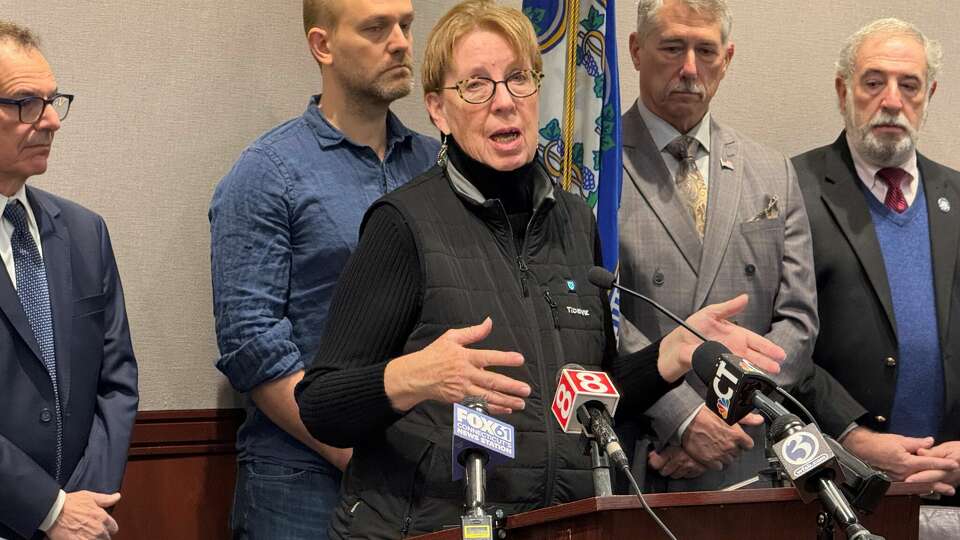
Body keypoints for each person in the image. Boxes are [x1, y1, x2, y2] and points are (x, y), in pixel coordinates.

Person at [295, 1, 786, 537]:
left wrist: (670, 356)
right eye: (476, 86)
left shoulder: (575, 220)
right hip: (431, 526)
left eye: (518, 79)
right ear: (438, 110)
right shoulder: (404, 224)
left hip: (559, 524)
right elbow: (321, 405)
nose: (504, 103)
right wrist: (412, 378)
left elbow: (585, 394)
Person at [208, 0, 439, 537]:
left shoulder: (436, 164)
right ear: (323, 45)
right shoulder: (265, 174)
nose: (402, 42)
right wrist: (352, 451)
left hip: (425, 476)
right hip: (302, 483)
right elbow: (253, 347)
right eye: (377, 28)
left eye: (405, 25)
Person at [616, 0, 817, 492]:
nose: (689, 68)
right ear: (636, 50)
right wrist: (684, 418)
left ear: (726, 59)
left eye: (705, 50)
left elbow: (799, 321)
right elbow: (602, 315)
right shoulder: (593, 169)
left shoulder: (772, 171)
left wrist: (728, 411)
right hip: (645, 452)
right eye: (672, 48)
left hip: (748, 456)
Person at [792, 18, 960, 499]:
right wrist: (853, 437)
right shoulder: (791, 189)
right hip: (834, 490)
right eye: (873, 82)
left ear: (929, 94)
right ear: (843, 90)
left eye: (909, 85)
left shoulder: (958, 196)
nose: (892, 101)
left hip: (948, 492)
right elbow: (780, 343)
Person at [0, 21, 139, 540]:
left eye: (53, 99)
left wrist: (85, 503)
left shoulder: (84, 232)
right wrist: (49, 508)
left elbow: (117, 378)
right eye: (26, 103)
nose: (52, 120)